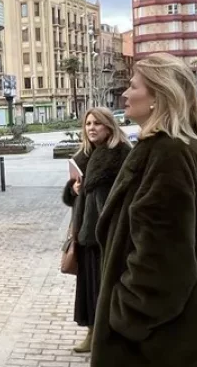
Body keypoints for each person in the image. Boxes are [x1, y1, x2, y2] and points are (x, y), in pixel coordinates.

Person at [90, 53, 197, 367]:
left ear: (159, 96)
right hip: (191, 330)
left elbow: (165, 259)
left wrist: (126, 313)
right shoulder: (195, 147)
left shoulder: (167, 153)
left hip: (162, 342)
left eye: (133, 86)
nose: (125, 94)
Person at [60, 107, 130, 353]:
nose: (91, 128)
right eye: (88, 123)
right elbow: (72, 198)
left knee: (107, 287)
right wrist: (73, 190)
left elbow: (125, 195)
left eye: (97, 123)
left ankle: (109, 336)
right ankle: (93, 332)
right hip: (86, 233)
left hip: (108, 233)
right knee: (90, 288)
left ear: (109, 126)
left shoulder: (121, 154)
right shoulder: (84, 156)